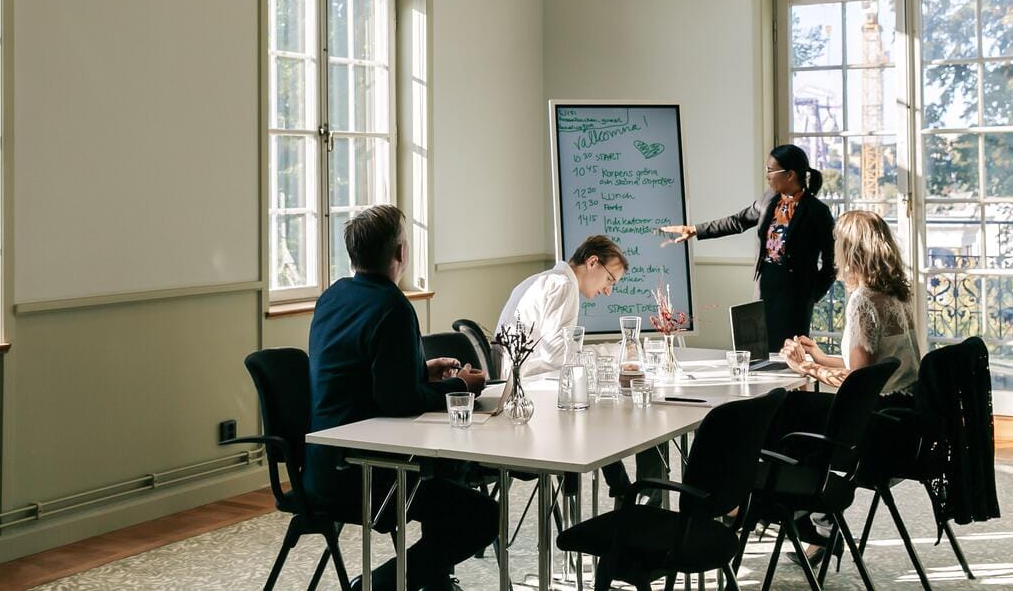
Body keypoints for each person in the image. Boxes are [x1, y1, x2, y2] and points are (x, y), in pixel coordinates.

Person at [304, 204, 497, 591]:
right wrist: (460, 385)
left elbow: (366, 380)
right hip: (368, 471)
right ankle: (378, 585)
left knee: (448, 487)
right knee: (482, 515)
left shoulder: (334, 296)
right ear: (401, 253)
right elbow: (400, 402)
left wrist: (425, 370)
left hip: (325, 463)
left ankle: (431, 582)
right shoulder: (392, 306)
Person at [772, 209, 922, 568]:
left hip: (875, 427)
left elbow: (857, 385)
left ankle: (801, 518)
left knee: (783, 416)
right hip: (904, 416)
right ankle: (815, 524)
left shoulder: (863, 301)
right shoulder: (898, 294)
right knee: (794, 415)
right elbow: (870, 369)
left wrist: (803, 367)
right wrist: (821, 358)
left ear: (849, 251)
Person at [662, 143, 836, 350]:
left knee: (791, 356)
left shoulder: (817, 211)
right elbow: (738, 221)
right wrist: (695, 230)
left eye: (771, 170)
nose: (767, 175)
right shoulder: (769, 198)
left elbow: (832, 261)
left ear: (790, 175)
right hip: (765, 287)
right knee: (759, 350)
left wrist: (812, 294)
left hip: (795, 297)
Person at [493, 234, 629, 376]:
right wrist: (619, 352)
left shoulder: (538, 280)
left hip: (508, 381)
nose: (608, 291)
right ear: (593, 262)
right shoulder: (564, 286)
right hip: (524, 386)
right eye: (609, 279)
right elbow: (557, 358)